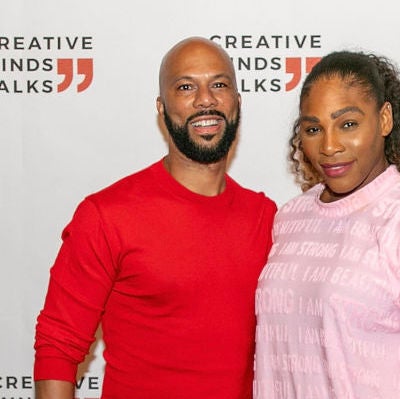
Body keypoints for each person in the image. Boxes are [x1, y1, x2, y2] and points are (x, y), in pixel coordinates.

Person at [34, 36, 277, 399]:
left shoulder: (265, 216)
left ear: (236, 103)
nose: (205, 99)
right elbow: (58, 346)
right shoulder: (107, 215)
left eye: (219, 85)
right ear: (162, 109)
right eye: (185, 87)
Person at [253, 50, 400, 399]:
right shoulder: (291, 217)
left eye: (348, 124)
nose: (329, 145)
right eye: (314, 129)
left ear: (384, 119)